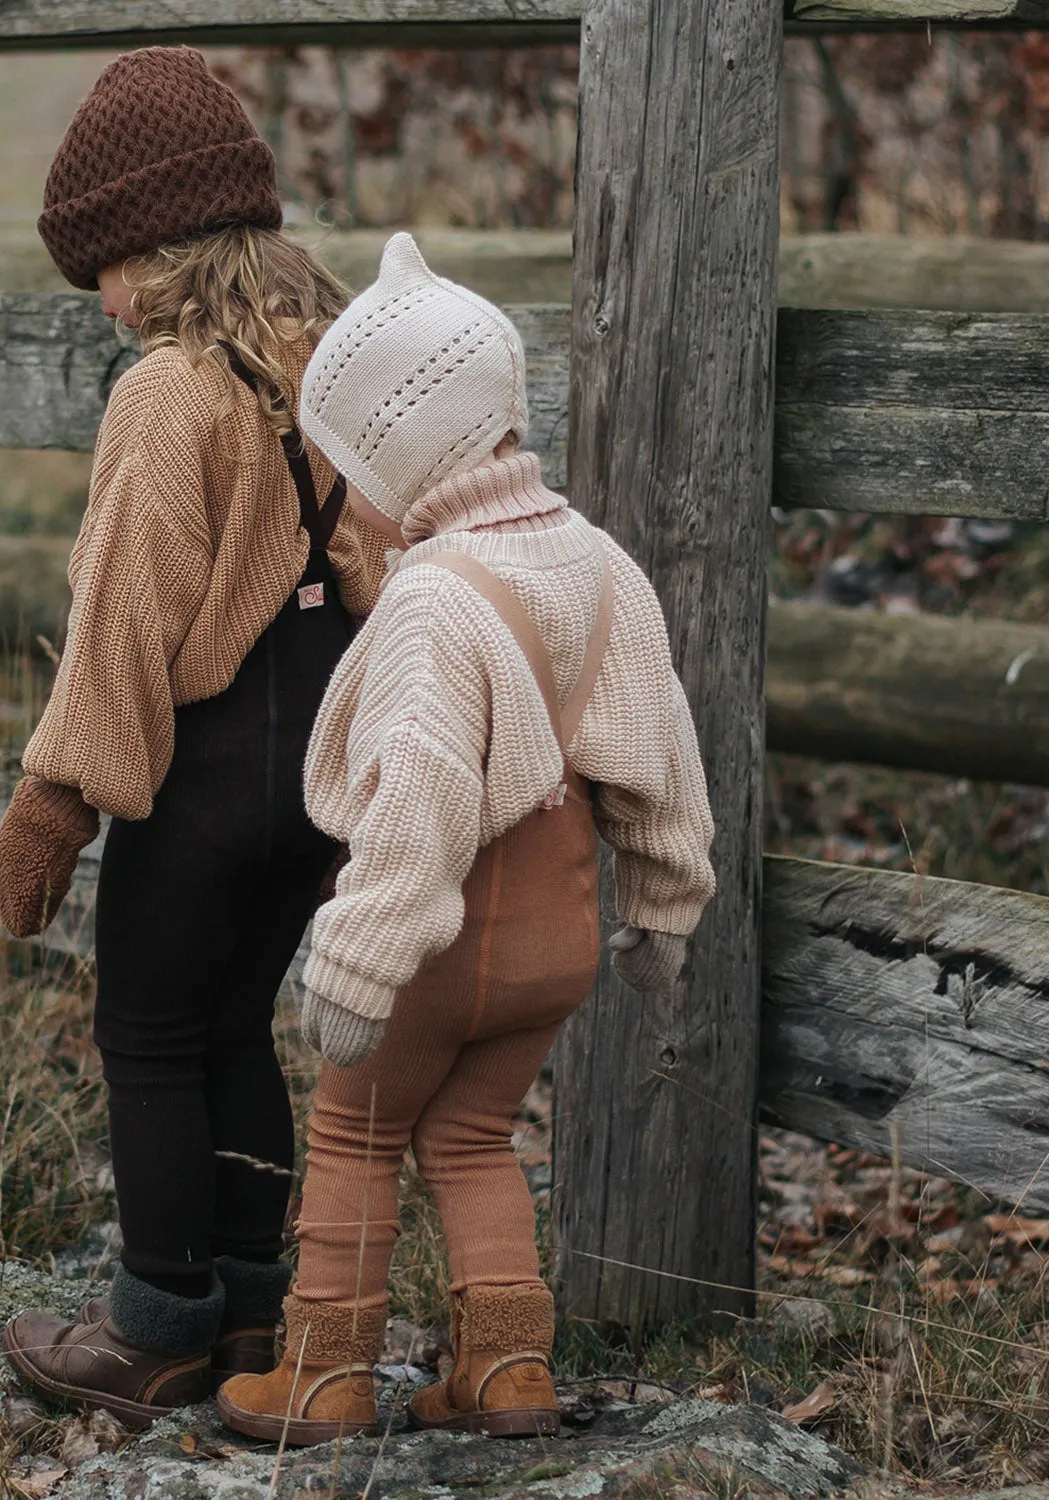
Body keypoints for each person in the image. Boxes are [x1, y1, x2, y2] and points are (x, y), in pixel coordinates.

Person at [217, 233, 717, 1444]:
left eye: (353, 468)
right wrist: (662, 903)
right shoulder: (596, 560)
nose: (349, 495)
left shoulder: (436, 599)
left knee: (355, 1126)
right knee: (474, 1131)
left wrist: (357, 964)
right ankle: (506, 1372)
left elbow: (421, 799)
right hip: (559, 934)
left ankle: (325, 1378)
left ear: (404, 454)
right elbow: (661, 745)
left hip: (445, 933)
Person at [0, 47, 388, 1431]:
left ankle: (155, 1328)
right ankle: (254, 1313)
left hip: (204, 778)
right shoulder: (338, 361)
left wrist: (54, 798)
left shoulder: (169, 392)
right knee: (235, 1029)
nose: (100, 301)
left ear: (159, 245)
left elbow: (123, 624)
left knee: (151, 1032)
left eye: (103, 266)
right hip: (323, 775)